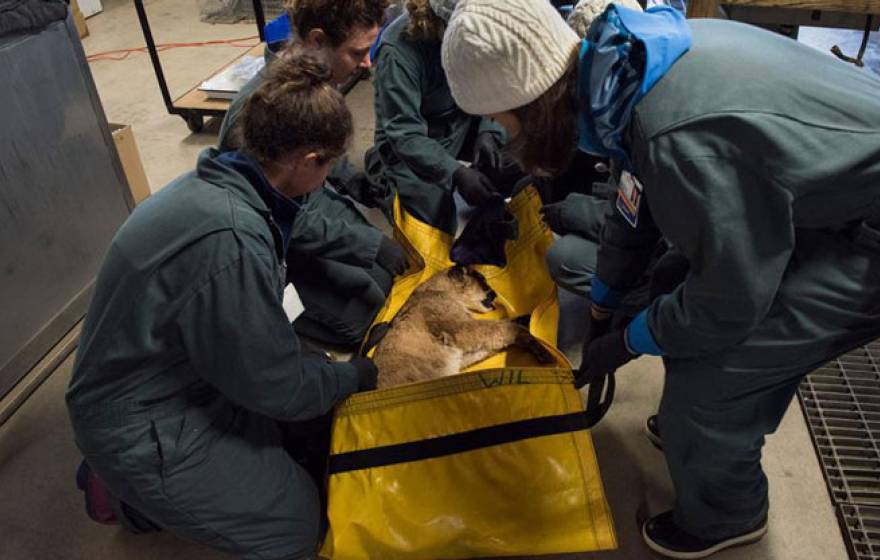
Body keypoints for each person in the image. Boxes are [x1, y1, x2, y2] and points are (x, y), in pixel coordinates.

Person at [441, 1, 880, 558]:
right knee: (674, 279)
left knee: (712, 382)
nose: (506, 139)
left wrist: (632, 339)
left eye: (504, 122)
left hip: (865, 236)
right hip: (827, 198)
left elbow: (728, 302)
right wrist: (605, 301)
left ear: (533, 104)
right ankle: (706, 435)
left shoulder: (676, 133)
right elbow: (636, 204)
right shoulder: (626, 73)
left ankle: (728, 515)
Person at [67, 51, 379, 560]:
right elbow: (274, 384)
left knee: (314, 436)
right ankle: (127, 496)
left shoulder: (231, 180)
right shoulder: (229, 239)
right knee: (296, 525)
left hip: (175, 372)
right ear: (306, 162)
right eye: (330, 167)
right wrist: (357, 376)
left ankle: (159, 483)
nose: (329, 179)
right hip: (143, 418)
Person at [219, 0, 407, 348]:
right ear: (318, 41)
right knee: (364, 317)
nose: (367, 64)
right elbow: (272, 219)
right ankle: (272, 316)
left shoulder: (315, 77)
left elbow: (322, 151)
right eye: (358, 52)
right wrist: (367, 243)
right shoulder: (255, 119)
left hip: (308, 198)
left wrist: (359, 185)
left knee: (385, 279)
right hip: (275, 233)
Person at [365, 0, 517, 235]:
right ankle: (383, 177)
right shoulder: (398, 51)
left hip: (463, 119)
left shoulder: (480, 29)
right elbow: (405, 134)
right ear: (440, 21)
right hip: (412, 143)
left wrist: (489, 131)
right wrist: (454, 172)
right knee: (433, 216)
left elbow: (495, 83)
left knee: (518, 158)